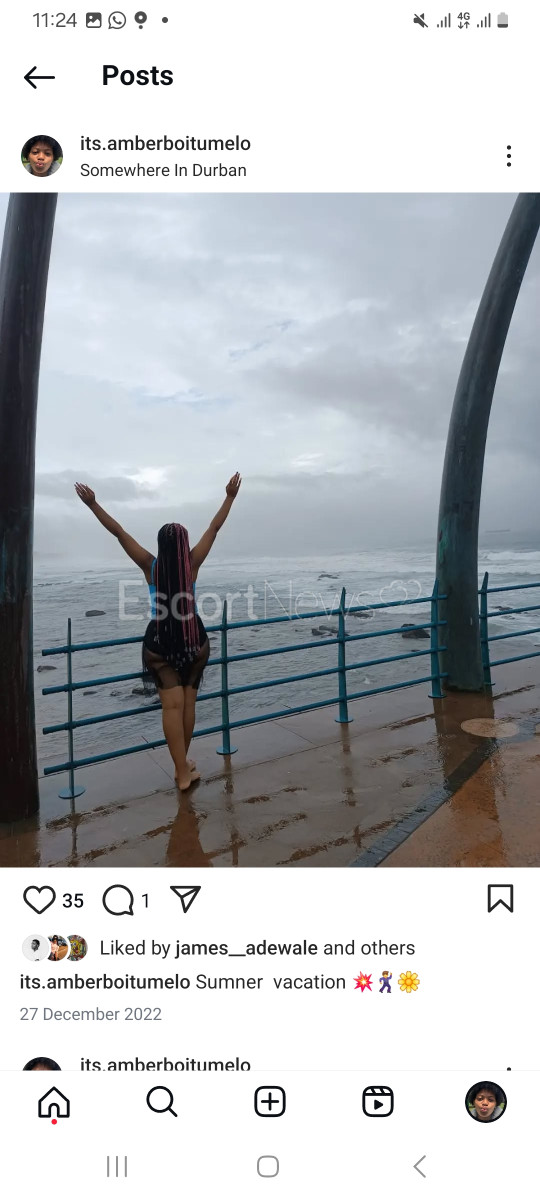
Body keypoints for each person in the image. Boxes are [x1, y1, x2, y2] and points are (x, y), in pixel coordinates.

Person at [75, 474, 242, 791]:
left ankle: (182, 771)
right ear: (184, 544)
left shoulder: (150, 565)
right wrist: (230, 497)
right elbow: (214, 528)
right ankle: (183, 767)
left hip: (160, 642)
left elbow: (119, 532)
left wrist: (93, 504)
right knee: (188, 705)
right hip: (193, 639)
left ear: (160, 545)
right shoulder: (192, 563)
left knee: (171, 707)